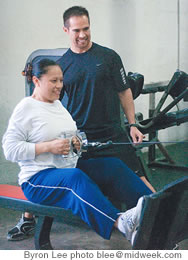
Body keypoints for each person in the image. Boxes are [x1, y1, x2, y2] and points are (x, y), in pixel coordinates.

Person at [6, 5, 156, 241]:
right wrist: (50, 146)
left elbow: (122, 92)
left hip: (99, 140)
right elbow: (11, 150)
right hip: (45, 174)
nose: (58, 86)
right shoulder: (28, 107)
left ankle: (156, 219)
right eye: (53, 81)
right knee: (75, 180)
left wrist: (75, 140)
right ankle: (120, 222)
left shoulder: (59, 105)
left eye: (60, 81)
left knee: (116, 168)